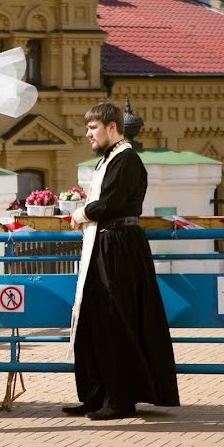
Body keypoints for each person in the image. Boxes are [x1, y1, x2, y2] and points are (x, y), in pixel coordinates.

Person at [63, 101, 180, 420]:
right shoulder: (110, 159)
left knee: (115, 321)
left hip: (118, 246)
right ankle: (96, 394)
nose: (88, 134)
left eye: (93, 128)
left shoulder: (126, 159)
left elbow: (111, 203)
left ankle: (120, 398)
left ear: (112, 127)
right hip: (104, 243)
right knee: (92, 319)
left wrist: (81, 212)